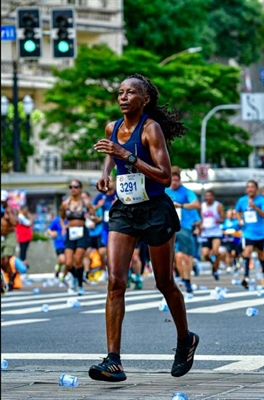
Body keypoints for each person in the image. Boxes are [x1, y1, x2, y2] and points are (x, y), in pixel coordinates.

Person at [88, 73, 199, 382]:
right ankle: (113, 360)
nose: (123, 97)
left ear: (145, 99)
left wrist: (129, 156)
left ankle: (185, 339)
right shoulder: (112, 128)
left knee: (164, 281)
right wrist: (107, 174)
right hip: (124, 209)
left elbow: (164, 176)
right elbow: (112, 155)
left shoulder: (151, 130)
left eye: (130, 93)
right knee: (115, 281)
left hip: (155, 210)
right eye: (120, 92)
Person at [165, 166, 201, 293]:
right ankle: (184, 278)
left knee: (187, 256)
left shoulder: (186, 192)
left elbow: (197, 204)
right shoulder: (164, 190)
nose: (174, 183)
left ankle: (188, 279)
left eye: (176, 180)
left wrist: (181, 205)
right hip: (168, 227)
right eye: (172, 180)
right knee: (178, 256)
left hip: (184, 227)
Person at [60, 180, 94, 295]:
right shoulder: (65, 203)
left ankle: (79, 285)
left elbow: (94, 215)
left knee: (78, 260)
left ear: (80, 188)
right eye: (71, 187)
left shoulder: (86, 203)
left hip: (82, 232)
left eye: (75, 186)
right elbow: (61, 217)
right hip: (70, 232)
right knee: (68, 262)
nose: (73, 189)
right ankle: (75, 278)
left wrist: (90, 218)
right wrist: (63, 227)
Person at [235, 180, 264, 289]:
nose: (250, 189)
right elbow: (237, 210)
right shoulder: (242, 200)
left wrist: (255, 207)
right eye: (248, 187)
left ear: (256, 188)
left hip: (261, 233)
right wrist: (239, 219)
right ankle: (246, 277)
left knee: (262, 255)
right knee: (247, 252)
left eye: (252, 187)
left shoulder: (261, 200)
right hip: (248, 232)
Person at [200, 190, 225, 281]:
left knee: (215, 252)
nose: (208, 198)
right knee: (205, 254)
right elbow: (201, 219)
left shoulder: (218, 205)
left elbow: (223, 217)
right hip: (205, 233)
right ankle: (214, 264)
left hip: (215, 232)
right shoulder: (202, 206)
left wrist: (220, 220)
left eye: (210, 195)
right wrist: (200, 226)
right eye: (207, 196)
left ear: (213, 197)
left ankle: (215, 269)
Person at [1, 190, 18, 290]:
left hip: (9, 235)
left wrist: (8, 214)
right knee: (2, 262)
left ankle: (10, 279)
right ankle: (11, 276)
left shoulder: (11, 210)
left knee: (6, 259)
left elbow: (15, 223)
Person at [46, 215, 67, 280]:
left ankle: (64, 275)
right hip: (59, 243)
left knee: (69, 261)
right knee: (62, 259)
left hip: (69, 243)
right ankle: (58, 266)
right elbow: (48, 230)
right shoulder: (57, 220)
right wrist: (52, 233)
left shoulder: (71, 220)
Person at [15, 205, 33, 270]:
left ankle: (23, 267)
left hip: (25, 237)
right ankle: (23, 267)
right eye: (25, 209)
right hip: (23, 238)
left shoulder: (23, 217)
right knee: (22, 254)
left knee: (23, 253)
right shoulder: (20, 217)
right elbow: (28, 223)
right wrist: (31, 218)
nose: (27, 211)